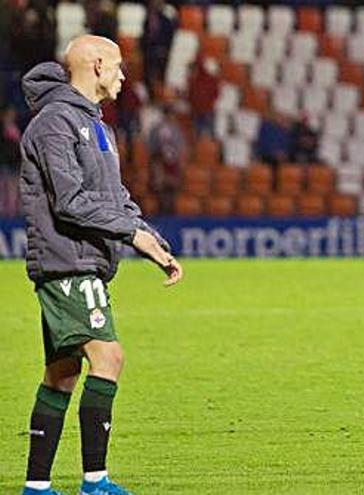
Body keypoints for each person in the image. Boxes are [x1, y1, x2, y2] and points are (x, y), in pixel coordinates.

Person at [18, 35, 183, 495]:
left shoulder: (97, 127)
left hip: (83, 258)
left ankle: (36, 487)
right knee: (108, 356)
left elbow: (114, 199)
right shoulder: (55, 123)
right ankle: (95, 483)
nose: (123, 76)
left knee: (63, 373)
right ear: (95, 65)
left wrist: (150, 238)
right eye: (117, 67)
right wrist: (132, 234)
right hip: (67, 259)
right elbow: (69, 201)